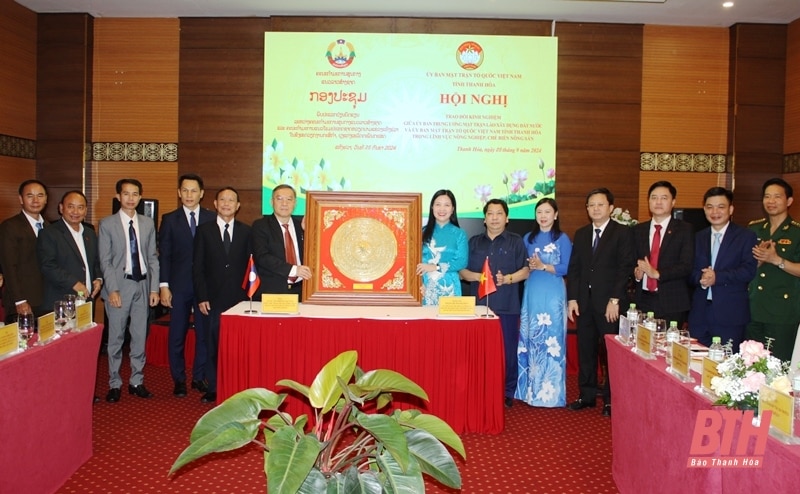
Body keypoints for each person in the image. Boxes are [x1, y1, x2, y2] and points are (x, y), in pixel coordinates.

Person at [567, 188, 635, 418]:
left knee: (609, 353)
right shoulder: (582, 233)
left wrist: (615, 299)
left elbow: (625, 268)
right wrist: (573, 298)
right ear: (587, 209)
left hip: (610, 305)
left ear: (611, 208)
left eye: (600, 205)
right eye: (591, 205)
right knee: (585, 349)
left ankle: (610, 399)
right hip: (585, 303)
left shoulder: (622, 233)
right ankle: (586, 395)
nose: (595, 209)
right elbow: (575, 269)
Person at [460, 198, 529, 408]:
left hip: (507, 305)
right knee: (479, 351)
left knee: (507, 350)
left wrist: (506, 279)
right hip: (479, 306)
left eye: (499, 213)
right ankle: (480, 388)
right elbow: (462, 271)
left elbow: (525, 271)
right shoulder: (473, 242)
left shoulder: (516, 241)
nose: (494, 218)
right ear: (484, 218)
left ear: (506, 218)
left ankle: (507, 390)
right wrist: (477, 276)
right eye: (490, 213)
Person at [98, 178, 160, 403]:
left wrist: (154, 289)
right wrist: (112, 289)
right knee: (115, 338)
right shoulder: (107, 224)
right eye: (126, 194)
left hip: (142, 285)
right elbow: (105, 261)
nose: (131, 198)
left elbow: (152, 258)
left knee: (139, 336)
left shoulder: (147, 223)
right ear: (118, 197)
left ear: (140, 197)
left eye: (135, 194)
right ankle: (114, 383)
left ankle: (137, 381)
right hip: (119, 286)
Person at [158, 173, 216, 398]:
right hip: (178, 286)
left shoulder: (212, 218)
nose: (189, 195)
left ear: (202, 194)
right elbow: (165, 256)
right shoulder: (170, 219)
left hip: (204, 288)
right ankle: (179, 379)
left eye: (194, 191)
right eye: (185, 190)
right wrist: (164, 285)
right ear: (179, 193)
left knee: (204, 334)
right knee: (177, 334)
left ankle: (198, 377)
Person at [193, 187, 251, 404]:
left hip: (240, 298)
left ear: (238, 206)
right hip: (213, 298)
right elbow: (197, 267)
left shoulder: (247, 231)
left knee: (238, 345)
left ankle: (238, 386)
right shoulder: (204, 231)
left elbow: (251, 267)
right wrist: (201, 296)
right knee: (213, 342)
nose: (227, 204)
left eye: (231, 200)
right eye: (222, 200)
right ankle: (214, 387)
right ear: (215, 204)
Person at [515, 198, 572, 407]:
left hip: (553, 293)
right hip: (532, 292)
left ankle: (551, 395)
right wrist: (529, 267)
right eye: (540, 211)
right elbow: (522, 264)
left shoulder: (562, 238)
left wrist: (543, 266)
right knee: (532, 338)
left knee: (552, 340)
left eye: (548, 212)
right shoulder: (528, 238)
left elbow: (567, 267)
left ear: (555, 215)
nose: (543, 216)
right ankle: (530, 392)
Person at [688, 187, 757, 349]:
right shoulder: (697, 237)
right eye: (710, 207)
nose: (715, 212)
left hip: (730, 315)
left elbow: (748, 270)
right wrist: (701, 279)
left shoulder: (746, 236)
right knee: (697, 365)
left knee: (726, 364)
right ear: (704, 209)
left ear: (731, 209)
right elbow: (688, 270)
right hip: (699, 314)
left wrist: (717, 277)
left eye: (721, 207)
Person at [746, 178, 800, 361]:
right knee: (750, 364)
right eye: (767, 196)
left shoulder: (796, 232)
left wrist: (777, 260)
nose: (771, 201)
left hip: (782, 313)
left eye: (777, 196)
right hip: (753, 307)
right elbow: (744, 266)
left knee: (777, 366)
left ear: (789, 201)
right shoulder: (754, 228)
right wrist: (758, 262)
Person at [632, 181, 694, 327]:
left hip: (672, 301)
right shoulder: (638, 230)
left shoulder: (685, 229)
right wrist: (636, 272)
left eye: (664, 198)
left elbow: (686, 265)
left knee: (668, 347)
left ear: (673, 202)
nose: (658, 202)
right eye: (654, 197)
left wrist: (657, 274)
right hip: (643, 300)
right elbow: (631, 260)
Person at [36, 191, 103, 311]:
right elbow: (48, 266)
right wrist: (74, 283)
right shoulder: (49, 233)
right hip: (60, 300)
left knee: (86, 330)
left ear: (86, 210)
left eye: (80, 207)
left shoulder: (90, 233)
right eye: (71, 207)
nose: (76, 212)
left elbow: (96, 262)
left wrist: (98, 279)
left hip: (87, 300)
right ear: (61, 208)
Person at [0, 179, 48, 322]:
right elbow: (9, 266)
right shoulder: (10, 227)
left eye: (40, 196)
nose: (35, 200)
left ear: (46, 199)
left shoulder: (50, 227)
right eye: (29, 196)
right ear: (21, 199)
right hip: (23, 301)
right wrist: (19, 300)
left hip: (46, 299)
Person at [251, 184, 311, 298]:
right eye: (279, 199)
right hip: (273, 293)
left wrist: (308, 233)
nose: (285, 203)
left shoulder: (302, 226)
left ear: (295, 203)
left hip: (302, 291)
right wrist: (294, 270)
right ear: (271, 202)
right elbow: (262, 257)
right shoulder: (261, 226)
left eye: (289, 199)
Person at [415, 189, 468, 305]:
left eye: (447, 205)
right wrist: (418, 284)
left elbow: (461, 262)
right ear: (432, 207)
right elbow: (414, 263)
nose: (442, 209)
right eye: (438, 204)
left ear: (453, 209)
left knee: (450, 323)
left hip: (450, 287)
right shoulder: (420, 233)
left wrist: (436, 267)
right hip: (425, 287)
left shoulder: (459, 234)